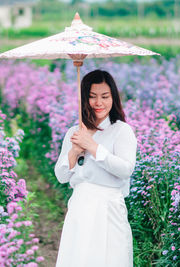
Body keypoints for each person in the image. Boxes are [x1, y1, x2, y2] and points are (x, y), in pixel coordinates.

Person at [54, 69, 137, 267]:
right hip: (80, 206)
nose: (99, 103)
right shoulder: (75, 132)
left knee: (109, 258)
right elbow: (61, 176)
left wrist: (92, 146)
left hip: (108, 207)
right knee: (79, 259)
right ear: (84, 99)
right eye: (92, 97)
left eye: (105, 96)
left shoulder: (121, 131)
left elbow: (126, 169)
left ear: (113, 98)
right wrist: (74, 151)